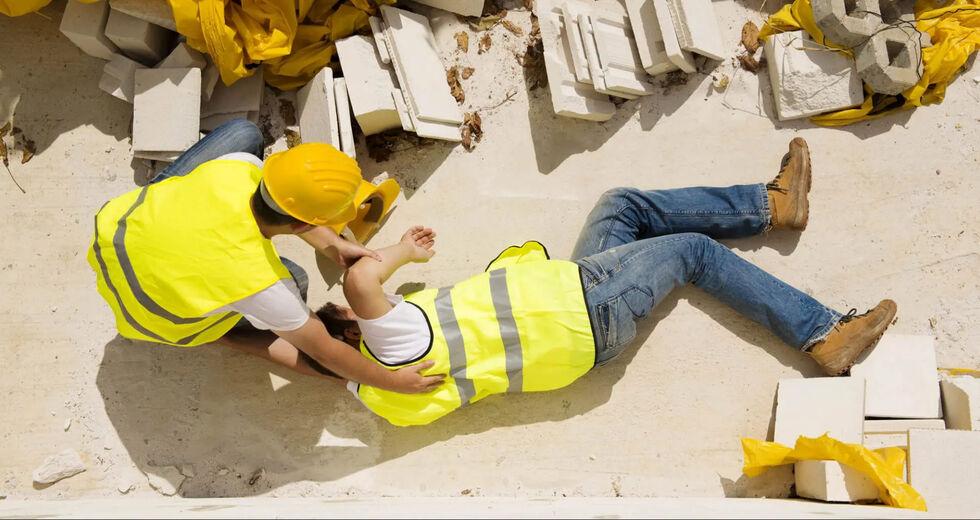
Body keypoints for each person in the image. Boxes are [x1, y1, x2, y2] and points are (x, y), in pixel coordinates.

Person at [291, 137, 897, 426]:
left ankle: (773, 206)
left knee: (621, 206)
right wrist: (401, 250)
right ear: (352, 331)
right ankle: (822, 333)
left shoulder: (386, 398)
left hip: (576, 321)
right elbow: (363, 281)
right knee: (691, 251)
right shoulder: (391, 342)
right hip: (586, 307)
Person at [88, 119, 443, 394]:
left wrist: (333, 244)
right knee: (298, 283)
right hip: (153, 317)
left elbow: (286, 207)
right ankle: (218, 332)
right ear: (304, 224)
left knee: (243, 133)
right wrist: (393, 382)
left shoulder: (237, 168)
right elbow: (325, 352)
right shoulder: (265, 285)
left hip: (116, 235)